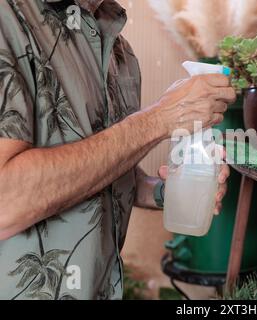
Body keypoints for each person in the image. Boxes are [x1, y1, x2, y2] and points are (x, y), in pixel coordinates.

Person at [0, 0, 235, 300]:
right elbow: (6, 199)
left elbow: (104, 164)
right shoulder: (9, 18)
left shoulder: (121, 53)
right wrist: (159, 119)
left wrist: (166, 190)